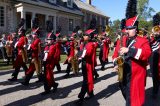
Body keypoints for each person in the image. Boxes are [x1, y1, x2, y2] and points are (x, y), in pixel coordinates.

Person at [112, 0, 151, 106]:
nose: (127, 31)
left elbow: (147, 54)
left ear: (135, 29)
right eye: (126, 28)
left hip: (135, 76)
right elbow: (115, 54)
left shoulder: (143, 40)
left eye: (130, 29)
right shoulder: (122, 40)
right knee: (126, 95)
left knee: (132, 100)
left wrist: (130, 50)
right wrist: (116, 63)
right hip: (123, 74)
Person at [76, 29, 95, 104]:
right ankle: (91, 93)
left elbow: (88, 54)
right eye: (84, 35)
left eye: (85, 35)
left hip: (88, 64)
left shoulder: (90, 44)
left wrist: (80, 54)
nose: (84, 36)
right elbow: (82, 52)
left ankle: (81, 97)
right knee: (86, 80)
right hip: (84, 64)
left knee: (86, 81)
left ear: (89, 36)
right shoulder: (84, 43)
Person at [149, 13, 160, 99]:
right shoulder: (152, 37)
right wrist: (152, 37)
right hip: (154, 58)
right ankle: (155, 91)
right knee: (155, 76)